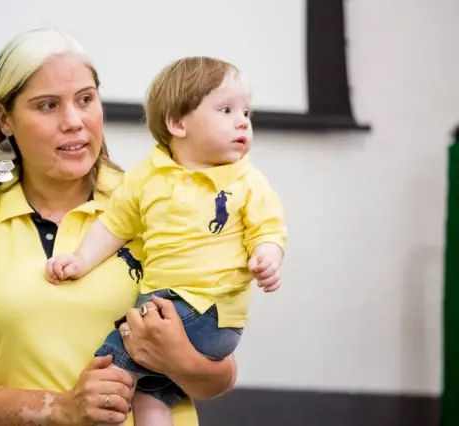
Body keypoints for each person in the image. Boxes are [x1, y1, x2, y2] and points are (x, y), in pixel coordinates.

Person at [0, 29, 238, 426]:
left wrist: (182, 360)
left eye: (85, 99)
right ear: (5, 119)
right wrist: (62, 408)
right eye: (48, 105)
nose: (73, 121)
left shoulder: (160, 202)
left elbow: (220, 377)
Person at [45, 56, 287, 426]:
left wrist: (267, 257)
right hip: (175, 309)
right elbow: (115, 226)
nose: (243, 121)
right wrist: (80, 259)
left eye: (247, 113)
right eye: (226, 110)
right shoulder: (147, 175)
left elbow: (268, 229)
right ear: (177, 123)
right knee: (151, 391)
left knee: (109, 367)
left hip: (205, 309)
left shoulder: (247, 180)